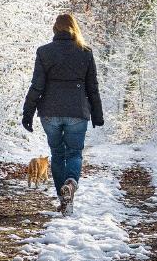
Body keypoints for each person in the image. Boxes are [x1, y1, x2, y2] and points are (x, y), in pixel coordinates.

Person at [22, 13, 104, 215]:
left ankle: (63, 199)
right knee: (74, 153)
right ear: (74, 28)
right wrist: (97, 114)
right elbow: (92, 87)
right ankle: (70, 184)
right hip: (77, 112)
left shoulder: (44, 52)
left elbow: (37, 86)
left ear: (54, 29)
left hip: (50, 112)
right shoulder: (85, 52)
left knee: (58, 154)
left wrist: (28, 112)